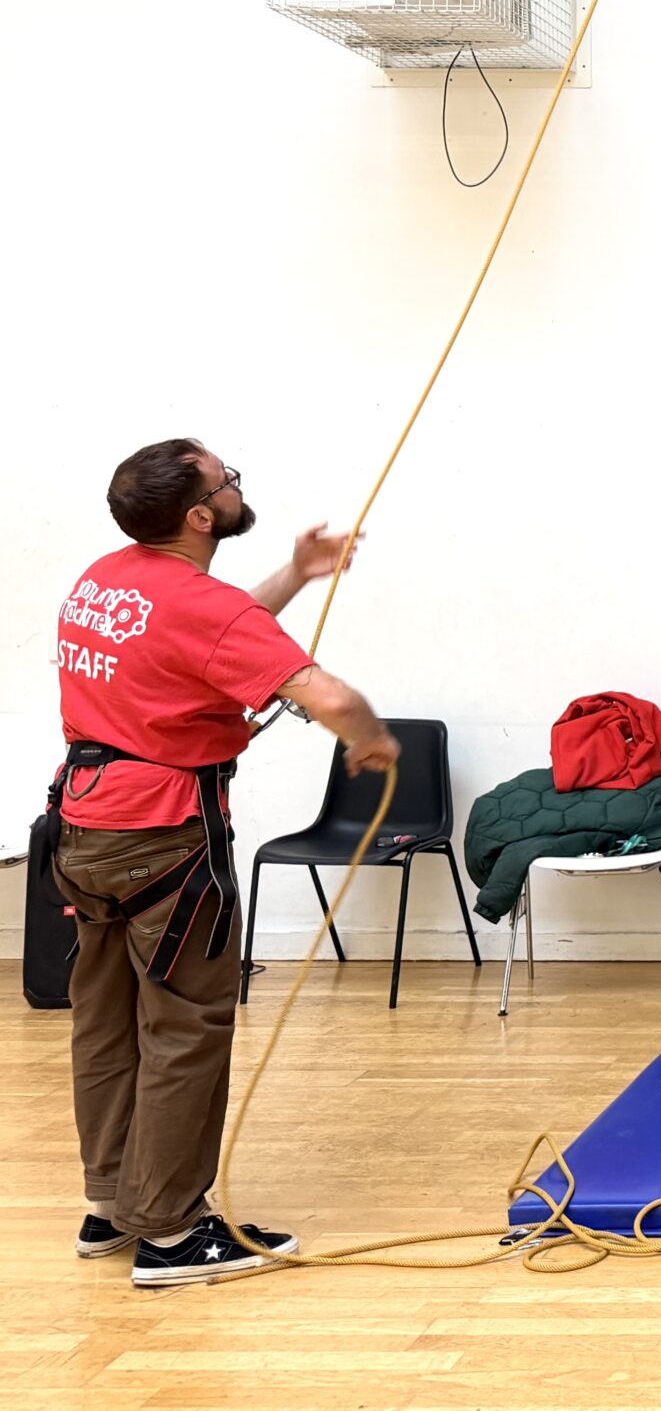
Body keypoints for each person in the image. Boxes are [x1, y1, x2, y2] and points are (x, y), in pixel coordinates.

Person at [46, 439, 399, 1287]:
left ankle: (113, 1207)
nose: (238, 485)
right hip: (165, 837)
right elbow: (331, 697)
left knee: (107, 1021)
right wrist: (373, 741)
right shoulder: (201, 607)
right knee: (184, 1027)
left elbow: (204, 631)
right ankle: (169, 1233)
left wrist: (294, 575)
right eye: (225, 480)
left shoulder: (106, 578)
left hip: (83, 827)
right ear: (201, 515)